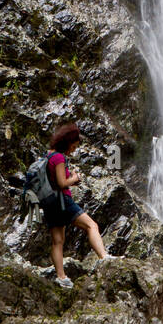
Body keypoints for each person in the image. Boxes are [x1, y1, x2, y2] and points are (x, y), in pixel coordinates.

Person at [41, 122, 110, 288]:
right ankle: (104, 258)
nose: (75, 149)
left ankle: (61, 277)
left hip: (49, 202)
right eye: (74, 145)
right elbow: (61, 182)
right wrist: (74, 178)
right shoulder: (59, 158)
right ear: (67, 142)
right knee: (91, 226)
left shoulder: (48, 155)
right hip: (62, 201)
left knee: (58, 241)